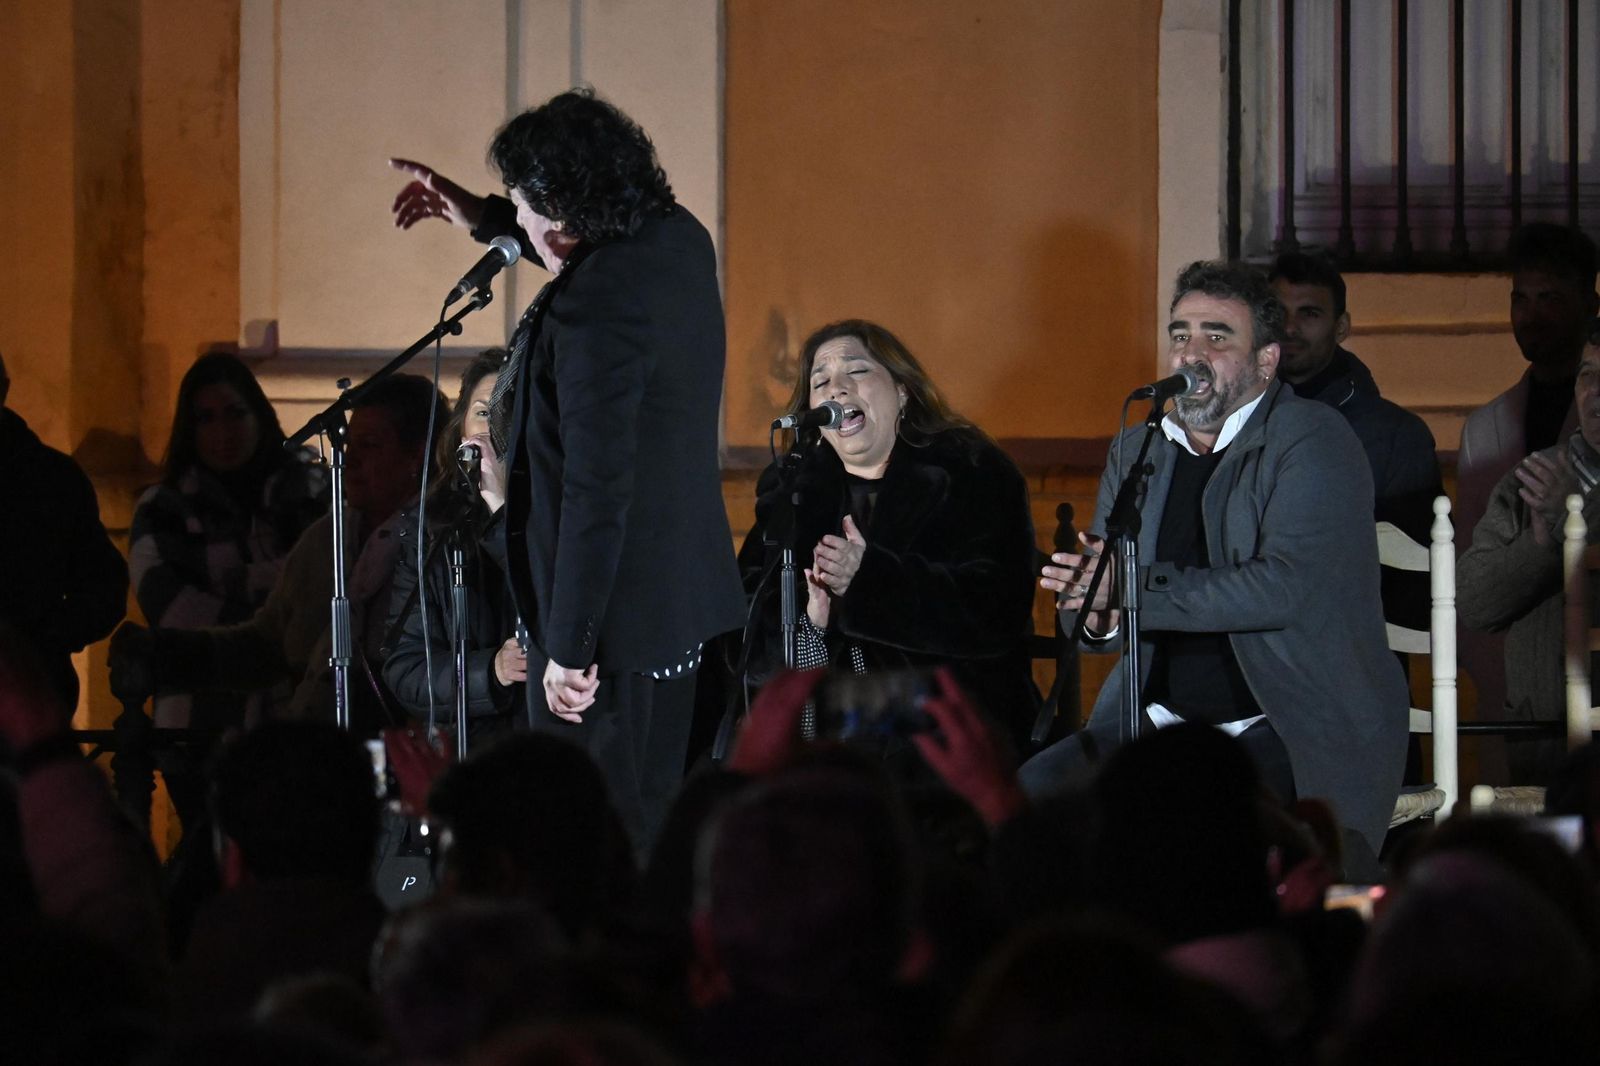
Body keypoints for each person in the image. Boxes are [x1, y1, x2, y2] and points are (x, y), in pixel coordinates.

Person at [388, 90, 745, 851]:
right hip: (674, 609)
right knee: (646, 821)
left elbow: (596, 487)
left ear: (568, 202)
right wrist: (480, 214)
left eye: (528, 208)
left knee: (596, 839)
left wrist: (570, 648)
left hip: (608, 634)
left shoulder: (594, 311)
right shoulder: (680, 241)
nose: (525, 229)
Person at [1026, 260, 1407, 869]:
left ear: (1266, 361)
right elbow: (1095, 624)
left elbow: (1284, 589)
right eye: (1180, 335)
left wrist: (1131, 590)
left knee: (1200, 841)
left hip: (1290, 721)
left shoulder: (1314, 438)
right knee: (1030, 808)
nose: (1190, 353)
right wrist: (1096, 610)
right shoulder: (1137, 447)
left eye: (1216, 336)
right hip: (1156, 721)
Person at [736, 319, 1039, 749]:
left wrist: (870, 581)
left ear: (903, 391)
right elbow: (746, 623)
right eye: (819, 382)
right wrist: (810, 623)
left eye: (856, 372)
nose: (835, 390)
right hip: (825, 713)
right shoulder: (794, 488)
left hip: (946, 710)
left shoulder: (970, 470)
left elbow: (995, 609)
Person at [115, 374, 448, 730]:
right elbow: (269, 641)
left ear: (417, 457)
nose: (350, 461)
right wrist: (171, 651)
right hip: (311, 749)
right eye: (349, 445)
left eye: (369, 445)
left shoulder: (443, 545)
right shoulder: (327, 537)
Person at [128, 351, 327, 822]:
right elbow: (175, 613)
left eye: (235, 413)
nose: (223, 433)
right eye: (206, 418)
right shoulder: (164, 509)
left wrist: (241, 593)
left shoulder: (312, 493)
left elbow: (322, 593)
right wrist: (274, 604)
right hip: (198, 724)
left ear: (259, 413)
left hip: (294, 722)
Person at [1457, 223, 1599, 719]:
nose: (1532, 316)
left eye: (1551, 299)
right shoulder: (1488, 427)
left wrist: (1570, 516)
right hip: (1522, 694)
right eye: (1522, 299)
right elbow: (1471, 585)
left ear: (1589, 304)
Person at [381, 349, 521, 747]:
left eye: (509, 410)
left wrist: (501, 509)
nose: (492, 426)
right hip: (470, 753)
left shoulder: (568, 520)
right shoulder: (434, 528)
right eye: (481, 411)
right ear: (460, 429)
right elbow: (406, 667)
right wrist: (490, 671)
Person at [0, 349, 128, 710]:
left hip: (27, 699)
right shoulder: (51, 478)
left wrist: (39, 639)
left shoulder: (52, 481)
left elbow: (103, 587)